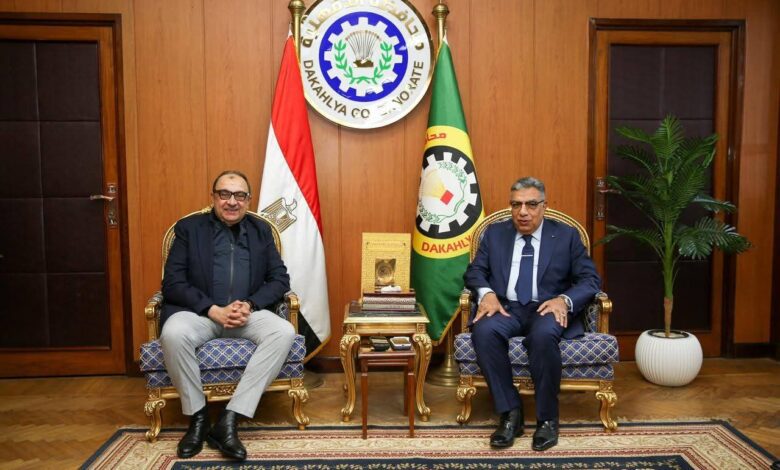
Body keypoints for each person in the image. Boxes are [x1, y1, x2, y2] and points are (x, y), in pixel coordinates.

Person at [159, 170, 295, 460]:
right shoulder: (189, 229)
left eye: (239, 195)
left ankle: (229, 419)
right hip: (200, 314)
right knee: (173, 333)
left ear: (248, 200)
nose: (232, 201)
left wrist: (250, 304)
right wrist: (212, 309)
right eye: (225, 194)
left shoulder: (261, 231)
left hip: (247, 315)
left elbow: (279, 280)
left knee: (283, 331)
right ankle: (198, 418)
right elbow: (172, 283)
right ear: (213, 197)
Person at [463, 176, 601, 451]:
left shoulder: (566, 236)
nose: (523, 212)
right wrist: (486, 293)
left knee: (543, 336)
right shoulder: (495, 233)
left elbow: (590, 279)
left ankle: (547, 420)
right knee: (484, 331)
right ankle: (510, 414)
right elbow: (475, 271)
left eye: (531, 205)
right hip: (506, 307)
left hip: (546, 307)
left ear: (544, 206)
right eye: (516, 205)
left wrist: (564, 300)